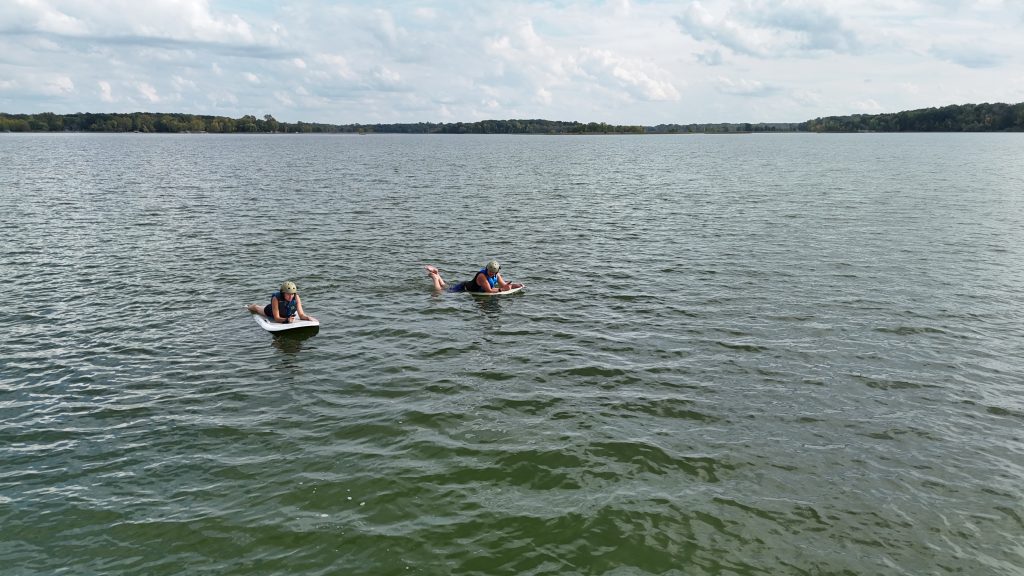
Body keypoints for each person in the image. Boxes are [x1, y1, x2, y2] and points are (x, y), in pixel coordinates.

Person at [425, 260, 523, 293]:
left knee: (445, 286)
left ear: (497, 271)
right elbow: (489, 290)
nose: (491, 273)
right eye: (489, 271)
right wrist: (502, 290)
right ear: (487, 268)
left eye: (493, 272)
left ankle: (437, 273)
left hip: (466, 285)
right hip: (463, 288)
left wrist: (515, 285)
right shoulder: (482, 276)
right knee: (440, 291)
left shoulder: (497, 275)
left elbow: (504, 285)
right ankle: (434, 278)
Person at [247, 281, 316, 323]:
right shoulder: (276, 298)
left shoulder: (296, 297)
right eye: (288, 294)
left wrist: (308, 318)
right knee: (257, 308)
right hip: (271, 311)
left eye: (292, 294)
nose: (290, 296)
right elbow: (277, 318)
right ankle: (247, 307)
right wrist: (287, 320)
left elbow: (301, 315)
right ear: (283, 293)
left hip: (285, 312)